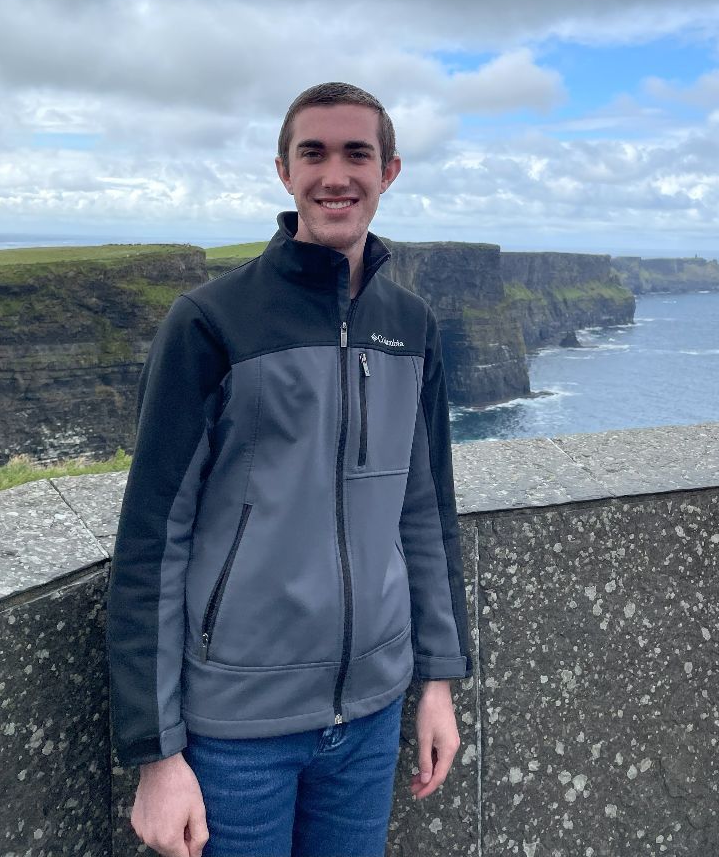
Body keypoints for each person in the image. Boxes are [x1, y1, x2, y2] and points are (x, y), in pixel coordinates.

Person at [107, 81, 474, 857]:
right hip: (237, 732)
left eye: (356, 154)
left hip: (372, 715)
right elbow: (152, 537)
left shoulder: (411, 327)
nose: (335, 174)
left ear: (390, 170)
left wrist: (436, 680)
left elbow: (425, 510)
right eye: (314, 153)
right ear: (283, 170)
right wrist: (156, 752)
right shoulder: (211, 321)